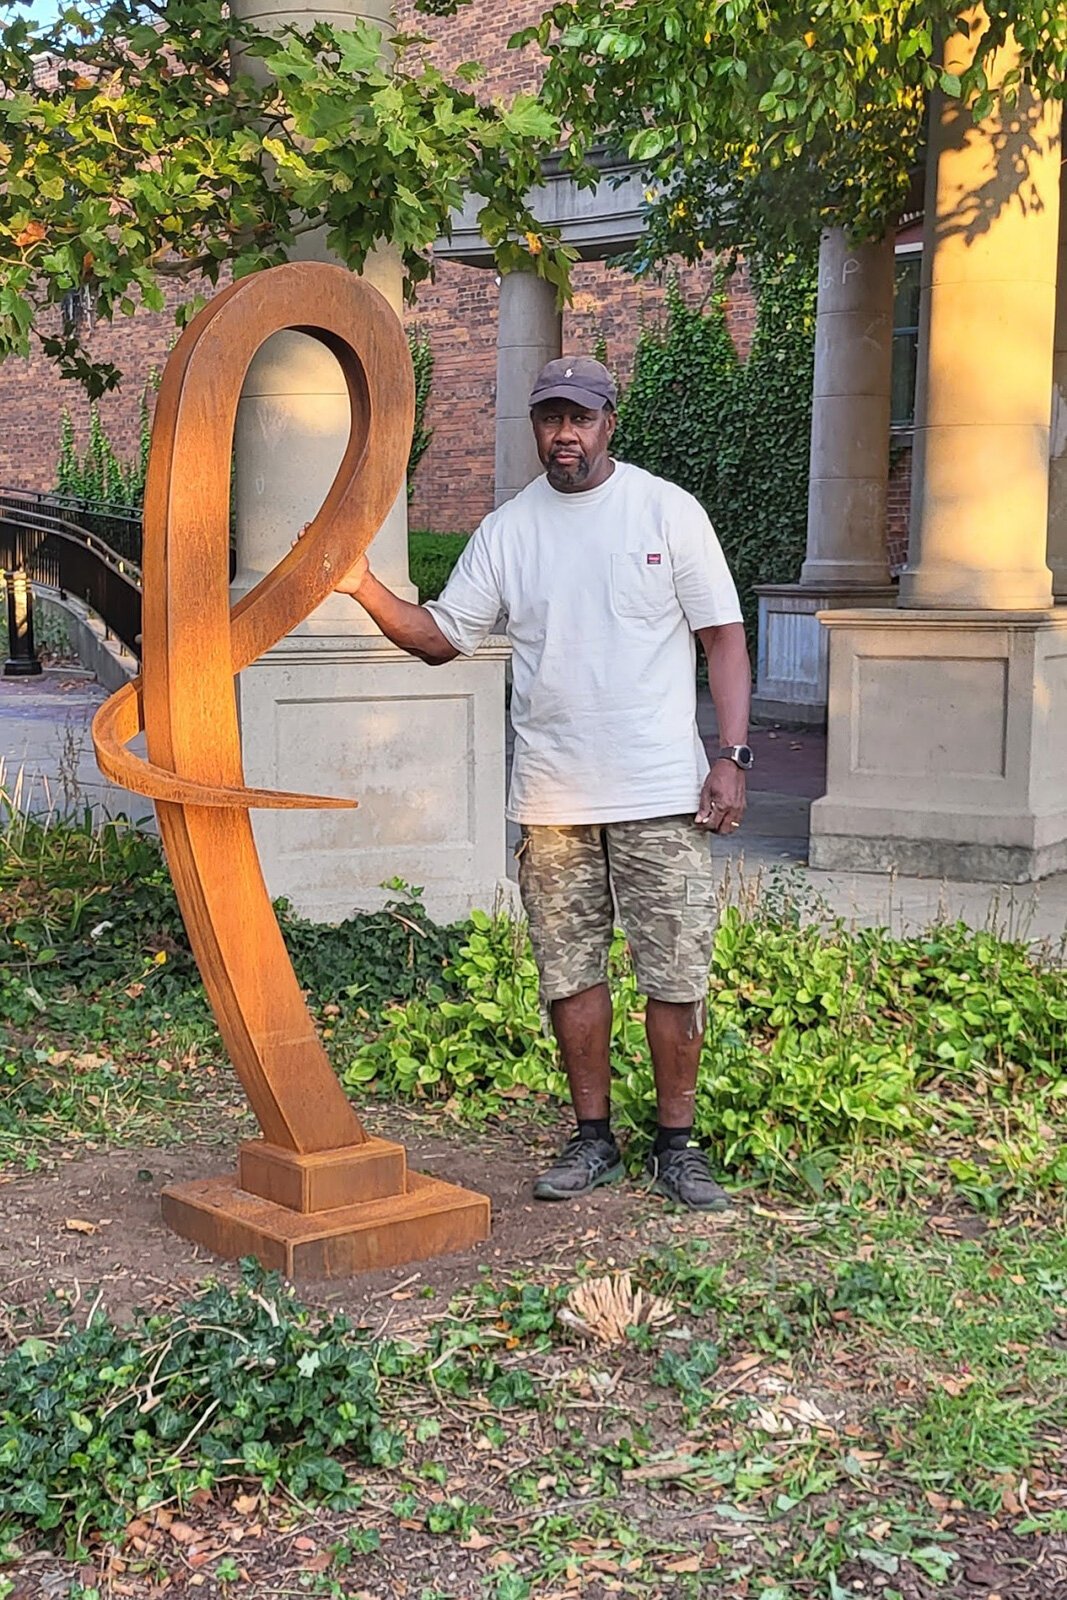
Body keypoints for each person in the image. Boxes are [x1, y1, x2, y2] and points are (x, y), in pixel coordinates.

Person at [333, 356, 752, 1211]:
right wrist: (359, 584)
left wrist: (731, 756)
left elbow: (722, 638)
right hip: (554, 801)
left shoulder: (665, 511)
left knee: (674, 977)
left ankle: (677, 1146)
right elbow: (441, 637)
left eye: (580, 418)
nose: (564, 434)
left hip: (659, 795)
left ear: (608, 423)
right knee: (569, 975)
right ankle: (592, 1139)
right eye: (550, 418)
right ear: (535, 427)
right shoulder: (507, 531)